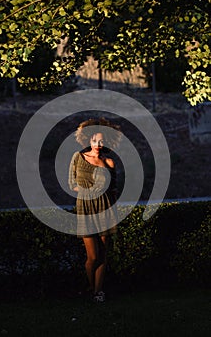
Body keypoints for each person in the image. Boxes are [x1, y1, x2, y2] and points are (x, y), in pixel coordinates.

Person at [68, 117, 122, 302]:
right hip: (86, 208)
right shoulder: (78, 157)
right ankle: (90, 288)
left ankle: (98, 292)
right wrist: (88, 192)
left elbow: (114, 189)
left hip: (106, 209)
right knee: (92, 256)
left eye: (101, 141)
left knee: (103, 255)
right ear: (88, 140)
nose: (98, 144)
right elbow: (71, 184)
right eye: (94, 140)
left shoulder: (109, 163)